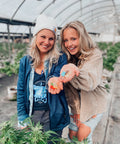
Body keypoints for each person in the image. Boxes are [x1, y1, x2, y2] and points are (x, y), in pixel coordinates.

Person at [48, 21, 108, 144]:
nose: (69, 44)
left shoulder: (94, 55)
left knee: (82, 138)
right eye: (65, 40)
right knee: (72, 135)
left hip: (93, 105)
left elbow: (89, 83)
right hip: (77, 106)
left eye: (73, 39)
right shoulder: (66, 57)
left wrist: (75, 71)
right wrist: (76, 111)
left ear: (82, 37)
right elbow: (69, 91)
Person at [17, 14, 70, 139]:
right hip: (32, 114)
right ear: (36, 37)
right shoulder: (25, 62)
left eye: (51, 39)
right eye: (43, 37)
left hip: (53, 115)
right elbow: (20, 90)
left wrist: (57, 78)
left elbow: (59, 74)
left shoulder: (60, 59)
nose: (47, 42)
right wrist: (22, 116)